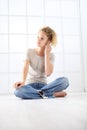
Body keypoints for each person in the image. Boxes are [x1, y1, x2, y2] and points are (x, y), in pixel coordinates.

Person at [13, 26, 69, 99]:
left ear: (48, 41)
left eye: (42, 38)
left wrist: (47, 54)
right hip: (30, 85)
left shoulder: (51, 56)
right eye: (38, 37)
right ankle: (51, 94)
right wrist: (23, 81)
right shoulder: (29, 51)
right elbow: (25, 66)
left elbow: (48, 73)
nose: (38, 40)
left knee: (65, 81)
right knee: (18, 91)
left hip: (45, 86)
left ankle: (39, 93)